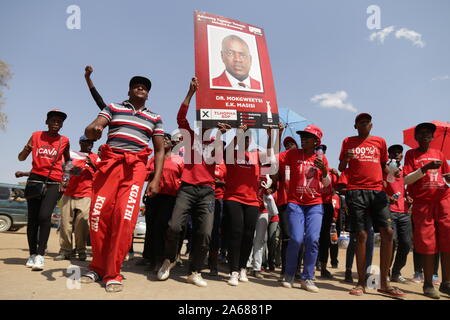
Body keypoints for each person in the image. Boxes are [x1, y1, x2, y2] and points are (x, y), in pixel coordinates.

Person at [81, 75, 165, 293]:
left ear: (148, 94)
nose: (141, 88)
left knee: (124, 218)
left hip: (135, 168)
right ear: (129, 91)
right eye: (136, 85)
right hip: (110, 164)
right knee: (98, 215)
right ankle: (97, 266)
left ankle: (112, 272)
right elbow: (94, 128)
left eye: (145, 87)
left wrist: (155, 179)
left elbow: (159, 150)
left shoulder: (155, 117)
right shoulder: (113, 108)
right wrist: (94, 130)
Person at [157, 77, 228, 287]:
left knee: (205, 233)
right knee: (174, 227)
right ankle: (168, 260)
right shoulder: (189, 136)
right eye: (203, 122)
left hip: (207, 192)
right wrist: (190, 93)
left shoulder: (216, 144)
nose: (206, 125)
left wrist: (222, 133)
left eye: (210, 123)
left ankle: (195, 271)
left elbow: (220, 167)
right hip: (186, 189)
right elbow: (180, 117)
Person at [338, 113, 405, 297]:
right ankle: (361, 282)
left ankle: (384, 282)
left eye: (367, 122)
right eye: (361, 122)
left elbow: (383, 165)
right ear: (355, 126)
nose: (365, 124)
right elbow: (341, 168)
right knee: (361, 235)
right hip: (356, 190)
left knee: (388, 232)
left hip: (378, 191)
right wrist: (346, 158)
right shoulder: (347, 141)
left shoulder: (380, 142)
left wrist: (393, 172)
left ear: (371, 125)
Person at [279, 125, 330, 293]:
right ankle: (289, 274)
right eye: (302, 136)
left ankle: (308, 278)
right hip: (295, 203)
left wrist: (323, 171)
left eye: (307, 137)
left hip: (315, 204)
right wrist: (276, 134)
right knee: (296, 239)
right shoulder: (292, 154)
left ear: (316, 141)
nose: (303, 139)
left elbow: (327, 184)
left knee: (313, 239)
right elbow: (272, 157)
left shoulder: (322, 158)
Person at [18, 109, 70, 271]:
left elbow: (68, 162)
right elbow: (21, 158)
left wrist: (67, 178)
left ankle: (40, 255)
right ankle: (32, 254)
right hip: (35, 180)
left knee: (44, 216)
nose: (56, 124)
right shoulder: (35, 136)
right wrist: (27, 148)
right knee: (33, 219)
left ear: (62, 125)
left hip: (54, 182)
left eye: (59, 122)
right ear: (46, 122)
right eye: (53, 120)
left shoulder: (65, 140)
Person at [403, 122, 450, 299]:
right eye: (421, 133)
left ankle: (446, 283)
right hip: (423, 203)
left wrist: (449, 178)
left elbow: (446, 178)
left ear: (432, 137)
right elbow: (406, 180)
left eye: (428, 133)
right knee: (428, 243)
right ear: (415, 138)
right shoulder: (411, 154)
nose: (425, 136)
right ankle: (428, 283)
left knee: (447, 240)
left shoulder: (440, 154)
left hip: (443, 200)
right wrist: (424, 168)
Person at [142, 133, 184, 273]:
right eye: (162, 139)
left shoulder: (179, 160)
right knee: (152, 228)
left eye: (167, 139)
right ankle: (151, 259)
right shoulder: (154, 159)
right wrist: (153, 174)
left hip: (170, 198)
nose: (164, 141)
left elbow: (184, 179)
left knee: (163, 228)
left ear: (172, 144)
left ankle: (162, 259)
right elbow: (145, 174)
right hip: (154, 196)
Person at [54, 135, 99, 261]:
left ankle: (81, 250)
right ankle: (65, 251)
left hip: (86, 194)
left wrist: (93, 164)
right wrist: (70, 170)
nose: (90, 144)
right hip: (68, 193)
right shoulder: (71, 154)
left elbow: (101, 174)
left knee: (82, 223)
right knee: (65, 224)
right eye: (87, 141)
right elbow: (63, 168)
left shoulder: (96, 157)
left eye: (91, 142)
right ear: (80, 142)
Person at [383, 144, 412, 283]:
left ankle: (396, 272)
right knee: (392, 241)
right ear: (389, 155)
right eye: (393, 152)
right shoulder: (385, 168)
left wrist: (408, 196)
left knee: (406, 243)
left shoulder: (405, 170)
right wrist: (387, 197)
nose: (396, 154)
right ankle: (386, 271)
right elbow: (379, 185)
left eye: (399, 152)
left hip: (405, 211)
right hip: (390, 210)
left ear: (402, 156)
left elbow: (406, 187)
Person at [317, 144, 340, 279]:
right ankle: (307, 265)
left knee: (325, 239)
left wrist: (336, 173)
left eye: (323, 151)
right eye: (319, 151)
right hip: (312, 205)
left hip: (326, 206)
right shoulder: (310, 168)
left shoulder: (331, 173)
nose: (321, 153)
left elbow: (336, 188)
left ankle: (324, 267)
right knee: (312, 237)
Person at [208, 157, 226, 276]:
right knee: (202, 230)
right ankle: (195, 260)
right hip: (204, 197)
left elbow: (228, 182)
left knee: (215, 232)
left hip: (218, 199)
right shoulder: (206, 160)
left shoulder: (224, 164)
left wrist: (217, 182)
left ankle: (213, 264)